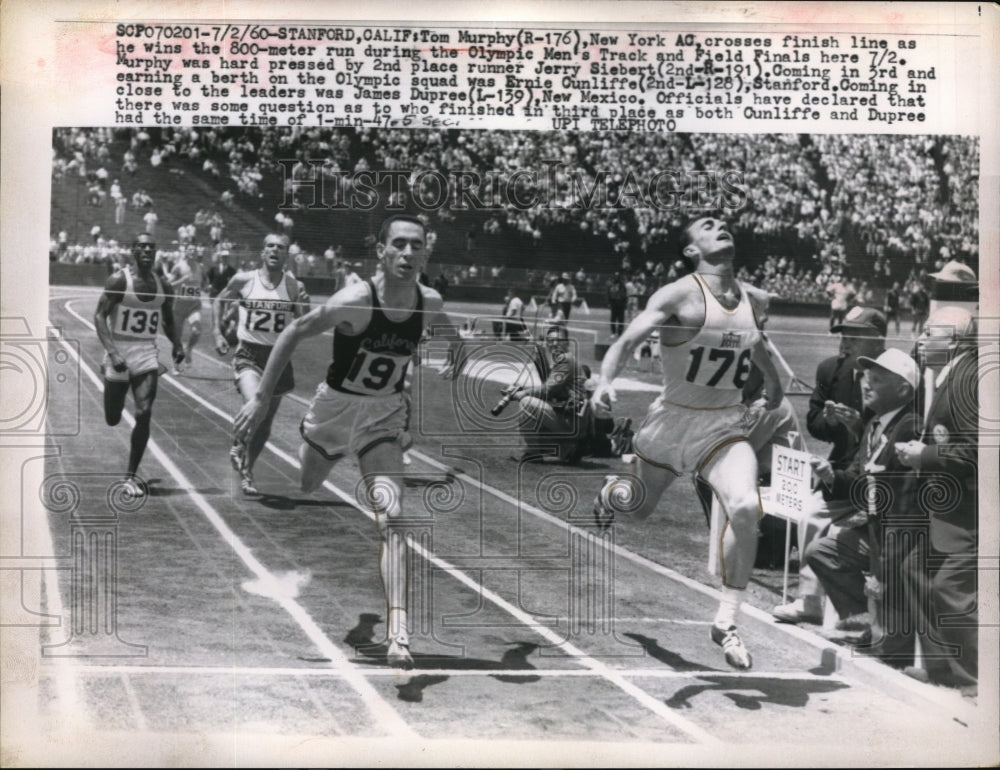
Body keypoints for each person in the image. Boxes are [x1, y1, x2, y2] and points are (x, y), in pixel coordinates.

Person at [233, 215, 460, 669]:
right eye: (399, 244)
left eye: (417, 246)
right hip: (334, 412)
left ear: (426, 253)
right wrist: (260, 398)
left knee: (392, 517)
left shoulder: (428, 299)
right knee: (310, 482)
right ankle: (365, 627)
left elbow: (447, 328)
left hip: (383, 415)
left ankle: (399, 633)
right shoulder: (356, 299)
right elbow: (295, 332)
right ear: (381, 251)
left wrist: (457, 350)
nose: (408, 254)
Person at [590, 216, 784, 670]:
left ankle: (727, 620)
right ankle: (608, 492)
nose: (722, 227)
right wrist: (603, 383)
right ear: (691, 250)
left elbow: (753, 343)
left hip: (722, 427)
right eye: (708, 225)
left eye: (724, 222)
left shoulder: (757, 299)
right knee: (636, 509)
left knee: (745, 507)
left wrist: (772, 386)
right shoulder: (678, 294)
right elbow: (626, 339)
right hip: (670, 422)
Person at [806, 349, 921, 664]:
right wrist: (831, 476)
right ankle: (867, 619)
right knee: (820, 552)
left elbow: (908, 506)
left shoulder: (910, 426)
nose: (866, 384)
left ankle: (895, 634)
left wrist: (881, 569)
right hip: (874, 530)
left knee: (888, 656)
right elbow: (859, 479)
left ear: (903, 390)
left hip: (900, 538)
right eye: (867, 377)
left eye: (878, 379)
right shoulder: (875, 424)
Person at [774, 306, 887, 623]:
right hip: (845, 468)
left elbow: (896, 430)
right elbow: (814, 425)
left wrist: (859, 427)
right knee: (810, 513)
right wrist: (829, 420)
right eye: (844, 335)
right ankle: (809, 600)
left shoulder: (894, 374)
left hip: (881, 475)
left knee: (823, 518)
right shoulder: (830, 371)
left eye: (855, 336)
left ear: (878, 341)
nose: (846, 342)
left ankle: (855, 609)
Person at [896, 306, 979, 693]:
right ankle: (940, 668)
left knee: (950, 590)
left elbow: (976, 454)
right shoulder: (951, 375)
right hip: (945, 510)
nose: (921, 339)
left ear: (956, 340)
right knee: (913, 572)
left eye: (930, 332)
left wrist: (923, 456)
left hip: (969, 512)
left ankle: (976, 680)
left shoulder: (970, 379)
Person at [213, 233, 310, 495]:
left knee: (265, 422)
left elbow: (303, 325)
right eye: (270, 246)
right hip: (249, 354)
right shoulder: (244, 280)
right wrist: (218, 332)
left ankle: (248, 470)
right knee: (256, 403)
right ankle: (237, 444)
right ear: (262, 251)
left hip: (278, 358)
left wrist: (305, 305)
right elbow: (219, 300)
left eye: (281, 247)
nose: (275, 250)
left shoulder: (292, 286)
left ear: (286, 254)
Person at [94, 234, 184, 496]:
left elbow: (167, 320)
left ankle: (130, 477)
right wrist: (112, 352)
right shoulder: (119, 280)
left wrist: (177, 345)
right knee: (112, 417)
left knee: (144, 411)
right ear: (133, 251)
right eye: (142, 246)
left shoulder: (163, 286)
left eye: (151, 247)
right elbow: (100, 316)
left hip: (146, 352)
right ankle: (110, 382)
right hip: (119, 351)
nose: (147, 250)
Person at [506, 325, 593, 464]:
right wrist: (521, 388)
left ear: (567, 342)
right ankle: (567, 450)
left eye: (558, 340)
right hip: (573, 418)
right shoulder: (564, 360)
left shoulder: (564, 360)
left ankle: (535, 452)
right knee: (532, 412)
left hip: (572, 420)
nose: (554, 343)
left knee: (526, 403)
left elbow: (548, 390)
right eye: (550, 340)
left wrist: (522, 393)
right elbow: (552, 390)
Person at [167, 246, 206, 373]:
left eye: (194, 250)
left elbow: (202, 284)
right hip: (179, 306)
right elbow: (168, 285)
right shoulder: (178, 266)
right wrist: (182, 281)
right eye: (190, 249)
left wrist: (205, 287)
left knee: (196, 330)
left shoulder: (200, 266)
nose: (192, 251)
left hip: (194, 305)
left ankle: (188, 349)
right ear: (185, 252)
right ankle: (175, 365)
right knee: (177, 338)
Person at [607, 272, 628, 338]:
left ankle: (619, 333)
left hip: (620, 305)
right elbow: (609, 295)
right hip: (614, 304)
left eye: (617, 276)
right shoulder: (611, 285)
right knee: (613, 319)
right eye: (615, 276)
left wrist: (624, 304)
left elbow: (624, 296)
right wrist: (609, 303)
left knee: (621, 320)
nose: (616, 278)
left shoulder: (622, 286)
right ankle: (613, 332)